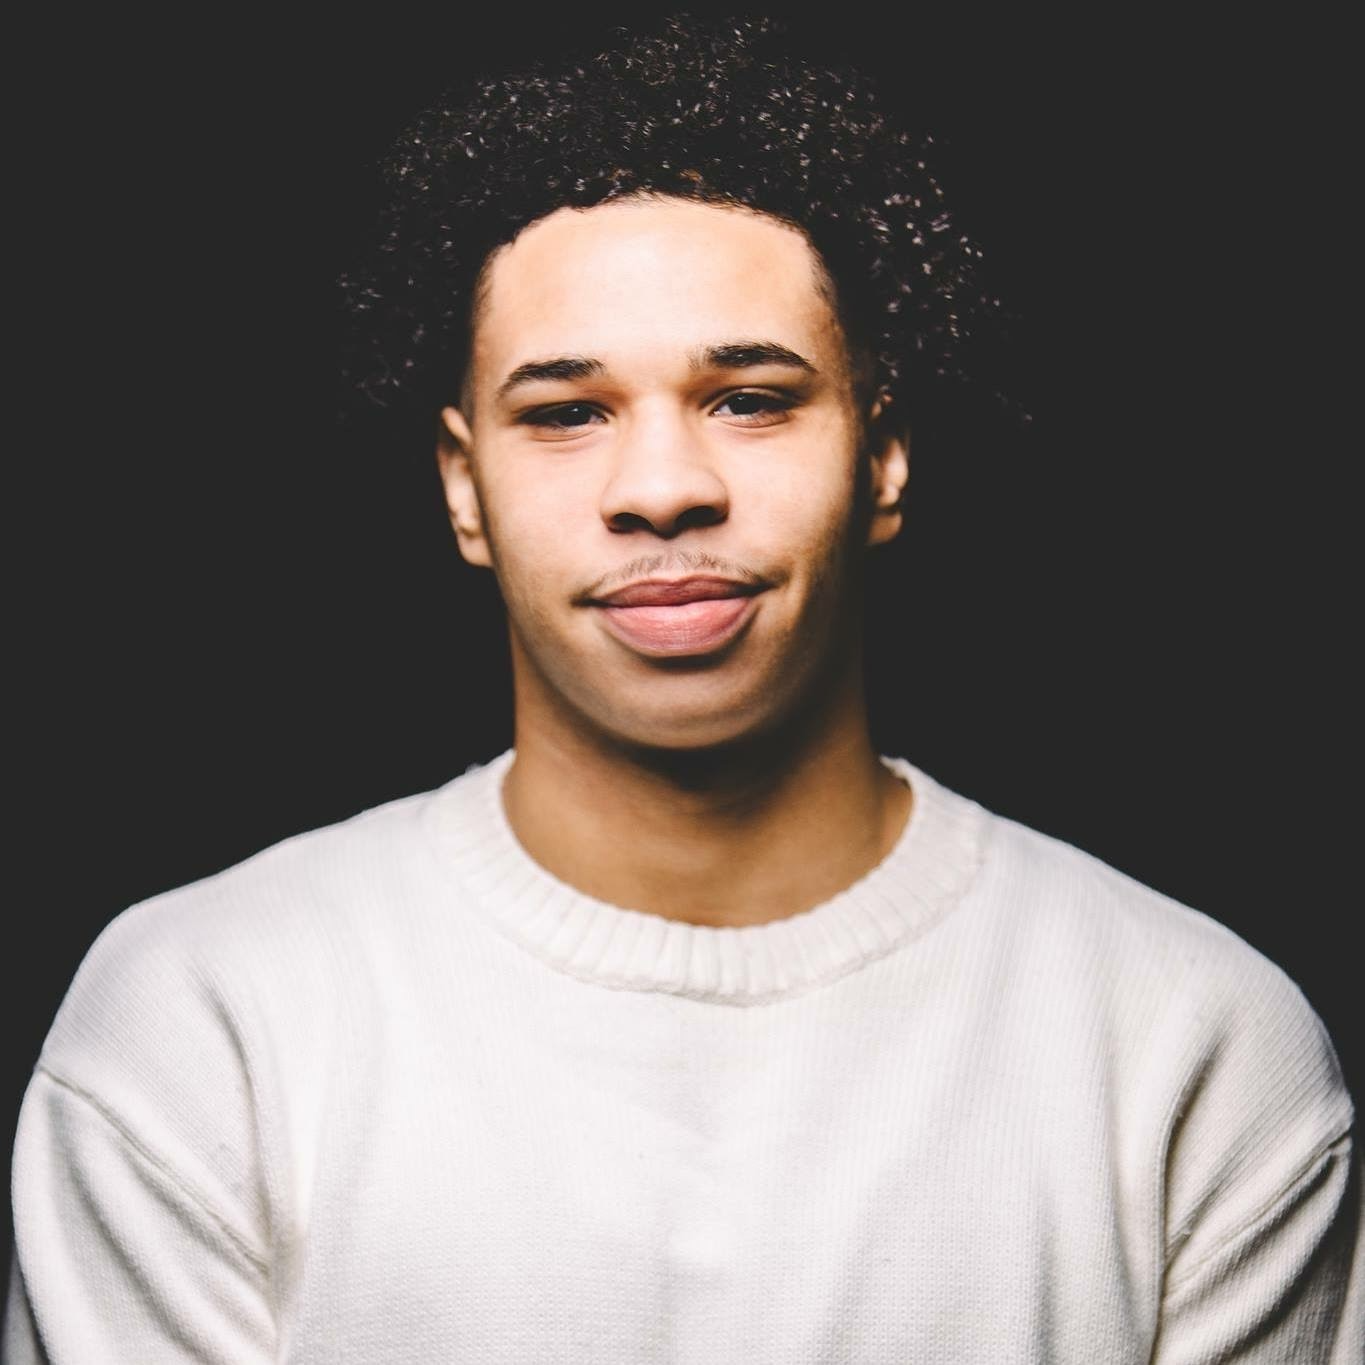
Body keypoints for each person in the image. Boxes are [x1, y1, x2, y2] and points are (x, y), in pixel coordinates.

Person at [6, 16, 1360, 1362]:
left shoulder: (1196, 1041)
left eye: (752, 398)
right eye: (565, 413)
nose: (662, 488)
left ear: (881, 455)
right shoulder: (203, 1017)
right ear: (462, 487)